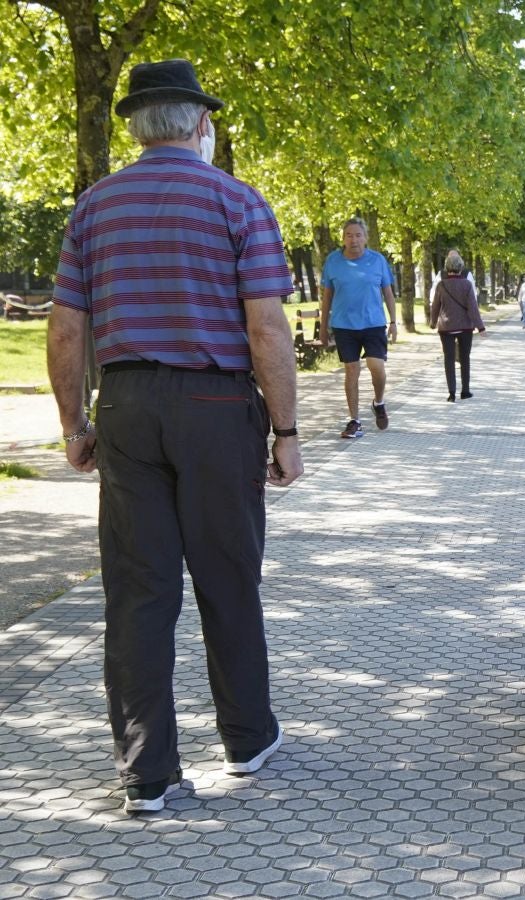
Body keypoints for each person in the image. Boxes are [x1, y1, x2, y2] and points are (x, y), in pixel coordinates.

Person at [46, 58, 301, 814]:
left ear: (134, 124)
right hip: (217, 406)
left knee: (137, 591)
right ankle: (248, 737)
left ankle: (146, 772)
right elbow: (266, 329)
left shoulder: (93, 208)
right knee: (228, 576)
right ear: (198, 122)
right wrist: (286, 429)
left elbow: (65, 332)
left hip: (126, 403)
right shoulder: (239, 202)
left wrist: (74, 424)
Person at [320, 217, 397, 438]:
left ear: (365, 238)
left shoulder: (378, 260)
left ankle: (379, 402)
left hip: (373, 323)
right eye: (349, 235)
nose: (353, 239)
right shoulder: (333, 262)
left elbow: (388, 293)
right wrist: (323, 329)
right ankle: (354, 420)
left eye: (358, 235)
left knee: (376, 366)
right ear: (343, 239)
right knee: (351, 370)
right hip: (344, 326)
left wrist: (393, 322)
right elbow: (326, 297)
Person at [429, 252, 486, 401]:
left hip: (446, 327)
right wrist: (480, 327)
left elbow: (435, 306)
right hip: (465, 327)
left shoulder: (441, 285)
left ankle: (451, 393)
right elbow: (472, 307)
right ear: (461, 268)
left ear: (447, 268)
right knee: (465, 358)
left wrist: (433, 322)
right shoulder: (467, 285)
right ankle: (465, 391)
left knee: (448, 359)